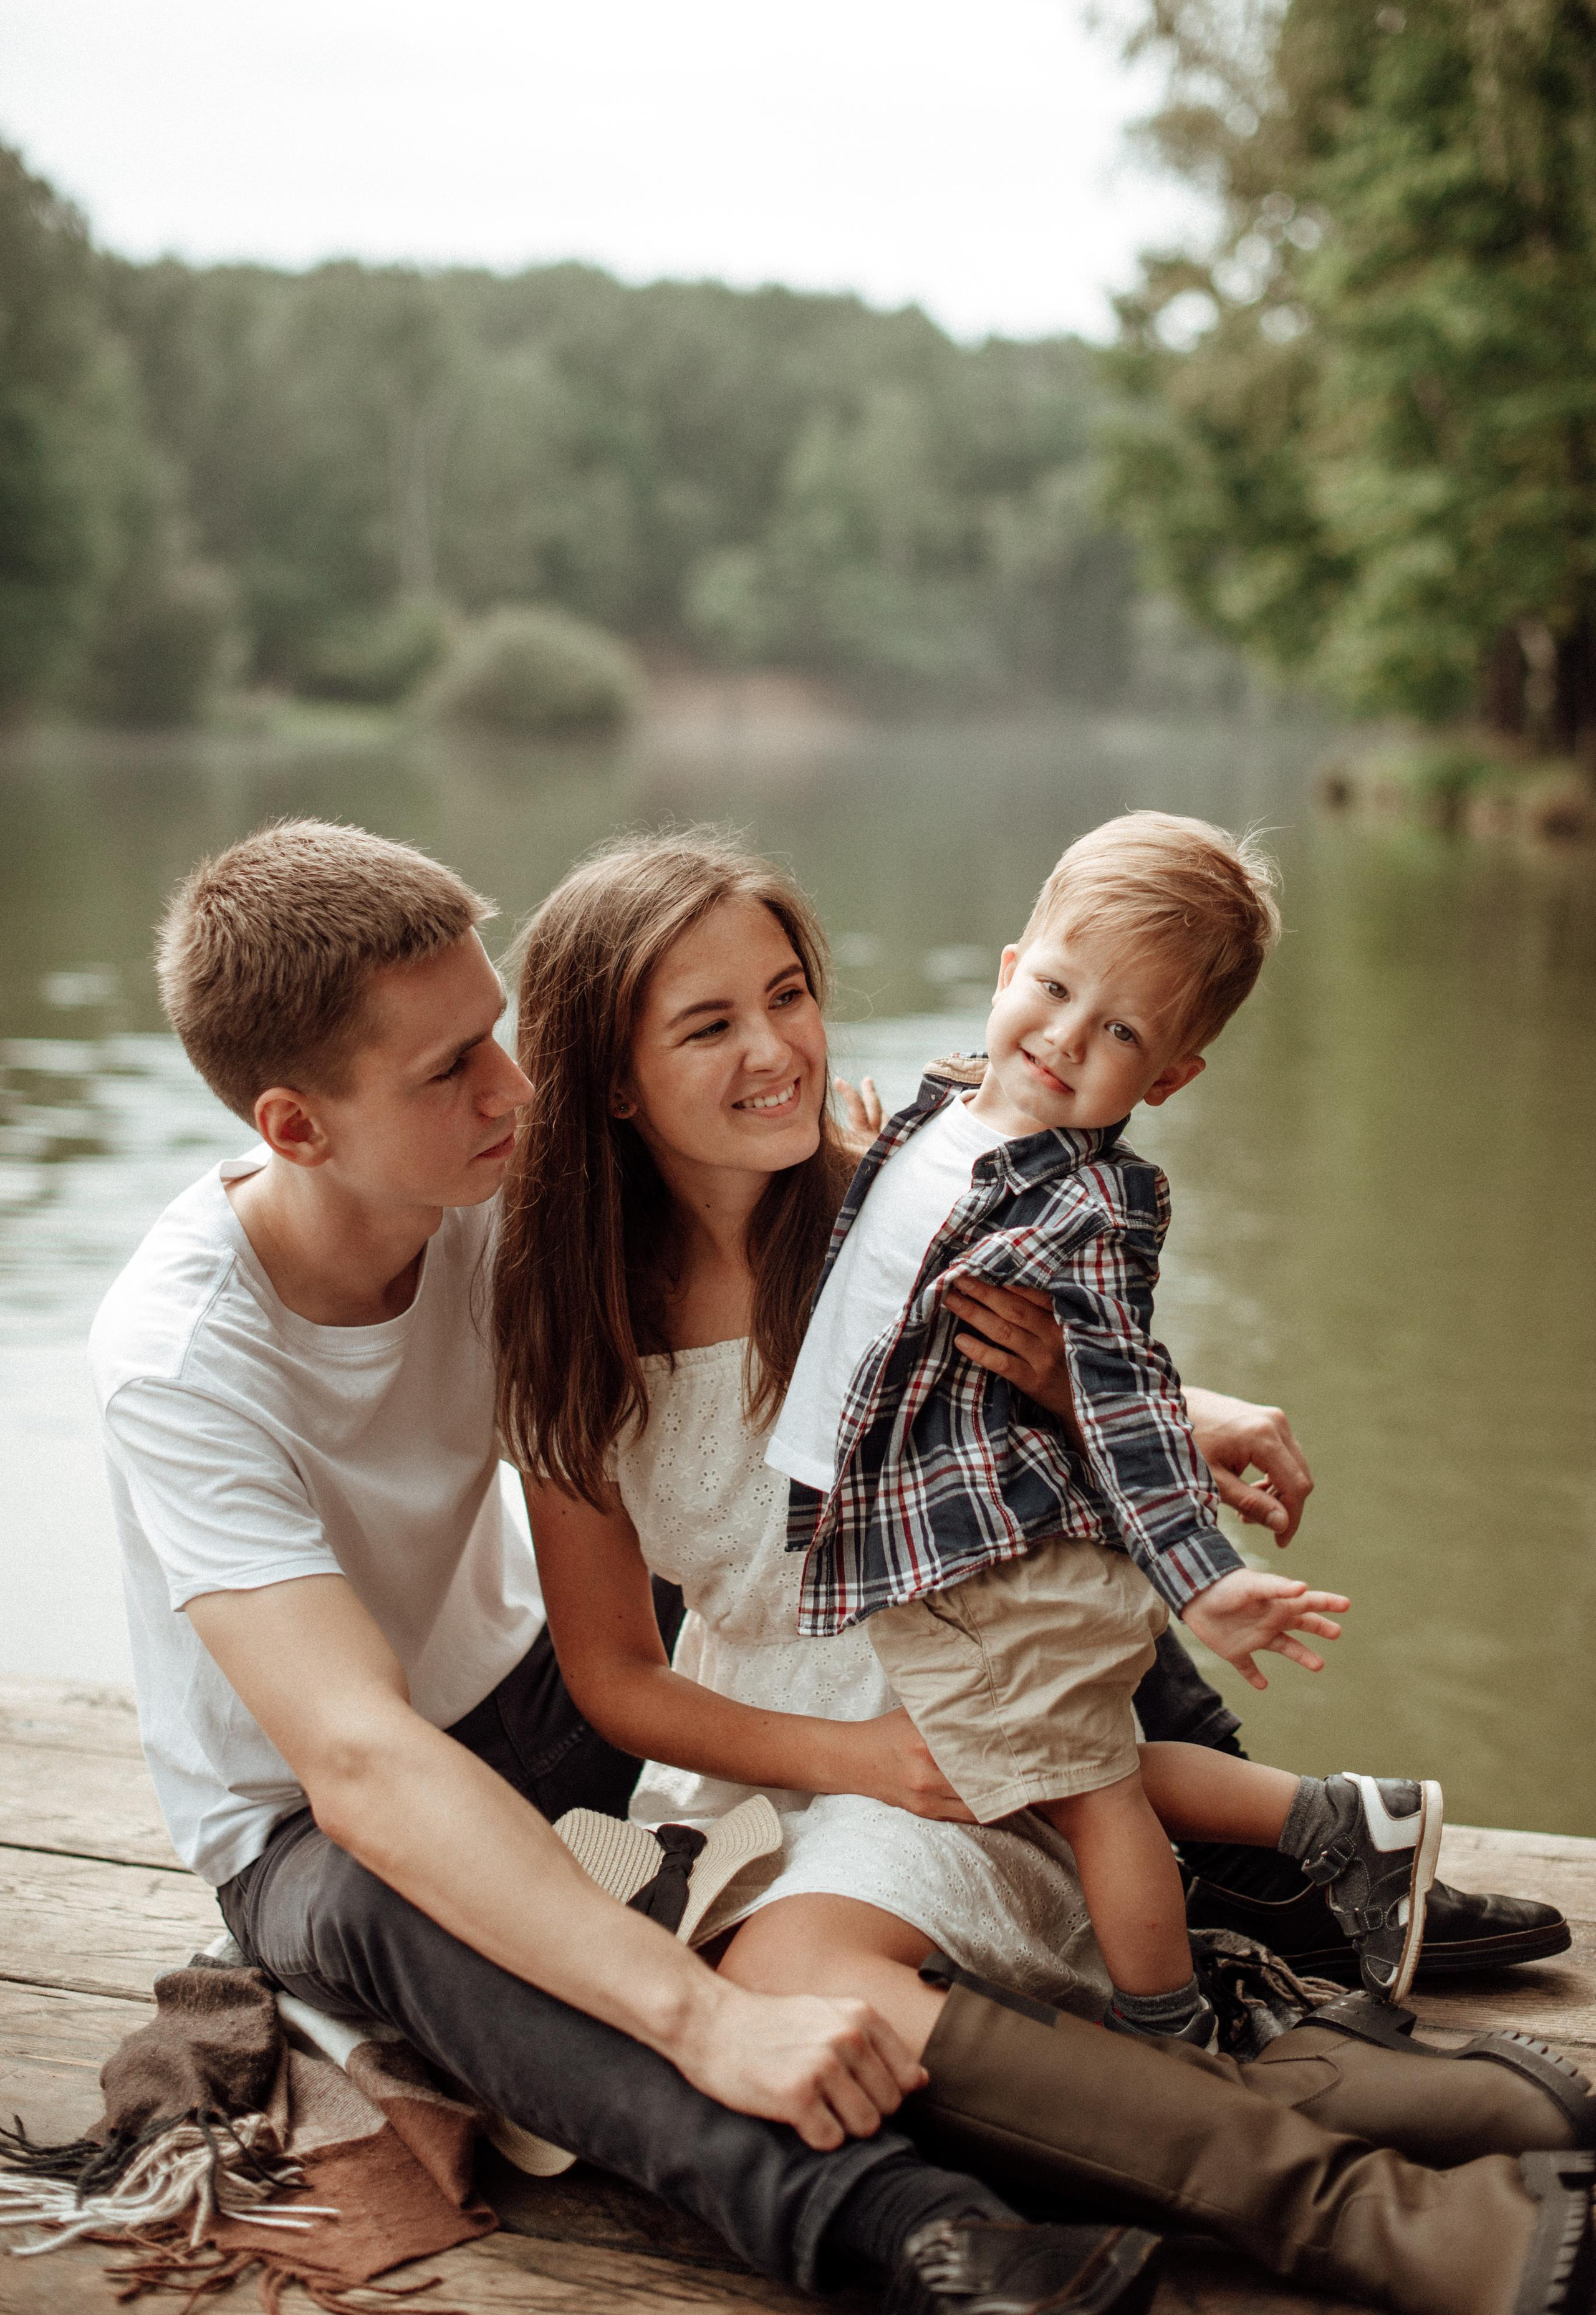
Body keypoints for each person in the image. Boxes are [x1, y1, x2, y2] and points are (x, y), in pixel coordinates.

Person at [499, 825, 1596, 2315]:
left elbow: (1072, 1361)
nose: (775, 1049)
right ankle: (1323, 2087)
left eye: (787, 993)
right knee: (736, 2014)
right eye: (708, 1024)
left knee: (794, 1985)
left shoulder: (918, 1199)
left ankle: (1372, 2213)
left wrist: (1152, 1414)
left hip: (968, 1714)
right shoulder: (567, 1329)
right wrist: (851, 1762)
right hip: (775, 1755)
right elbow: (613, 1679)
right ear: (613, 1080)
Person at [90, 819, 1168, 2315]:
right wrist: (700, 2016)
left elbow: (853, 1259)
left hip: (541, 1694)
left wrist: (1147, 1410)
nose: (514, 1091)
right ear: (294, 1128)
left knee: (972, 1512)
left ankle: (1266, 1837)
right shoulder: (180, 1360)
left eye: (500, 1037)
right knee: (387, 1899)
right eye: (451, 1069)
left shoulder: (503, 1196)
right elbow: (355, 1756)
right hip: (314, 1813)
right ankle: (897, 2222)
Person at [766, 813, 1438, 2041]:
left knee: (1085, 1797)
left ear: (1168, 1077)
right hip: (934, 1547)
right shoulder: (939, 1112)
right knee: (1050, 1762)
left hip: (1004, 1556)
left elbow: (1122, 1409)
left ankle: (1167, 2031)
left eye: (1120, 1030)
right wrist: (858, 1170)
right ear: (1009, 969)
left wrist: (1205, 1583)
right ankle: (1333, 1825)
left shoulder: (1092, 1208)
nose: (1067, 1039)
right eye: (1058, 989)